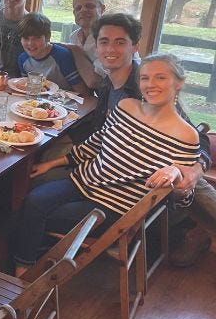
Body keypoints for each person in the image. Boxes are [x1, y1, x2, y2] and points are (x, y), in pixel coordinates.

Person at [12, 53, 201, 276]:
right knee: (33, 200)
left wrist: (177, 173)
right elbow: (97, 142)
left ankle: (23, 278)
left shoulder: (187, 136)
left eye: (161, 78)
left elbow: (184, 198)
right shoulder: (126, 106)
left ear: (179, 83)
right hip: (84, 181)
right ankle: (24, 268)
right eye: (145, 78)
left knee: (31, 214)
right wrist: (53, 163)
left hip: (114, 208)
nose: (151, 85)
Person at [16, 12, 89, 96]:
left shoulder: (62, 56)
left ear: (48, 37)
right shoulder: (22, 59)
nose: (30, 43)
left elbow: (82, 92)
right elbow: (25, 88)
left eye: (37, 38)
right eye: (26, 38)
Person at [63, 0, 107, 89]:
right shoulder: (74, 37)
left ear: (102, 8)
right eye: (78, 8)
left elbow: (95, 82)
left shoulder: (109, 38)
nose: (83, 10)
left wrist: (75, 50)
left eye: (89, 6)